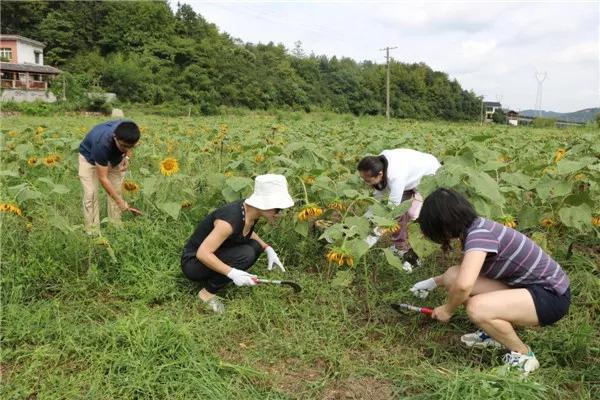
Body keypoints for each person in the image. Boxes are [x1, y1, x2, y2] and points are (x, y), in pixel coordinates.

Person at [410, 188, 570, 373]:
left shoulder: (479, 235)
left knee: (477, 308)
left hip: (550, 297)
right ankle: (494, 335)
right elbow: (458, 277)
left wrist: (447, 310)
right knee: (453, 275)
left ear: (443, 223)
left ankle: (523, 355)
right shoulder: (477, 227)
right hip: (527, 288)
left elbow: (464, 286)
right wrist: (433, 282)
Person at [181, 174, 294, 314]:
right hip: (194, 263)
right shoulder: (229, 221)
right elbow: (203, 253)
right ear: (264, 203)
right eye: (277, 209)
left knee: (255, 246)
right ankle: (206, 293)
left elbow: (245, 232)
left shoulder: (250, 212)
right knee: (246, 254)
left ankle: (217, 277)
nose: (279, 214)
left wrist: (267, 248)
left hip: (214, 252)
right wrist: (232, 273)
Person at [357, 148, 441, 270]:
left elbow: (393, 209)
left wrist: (374, 235)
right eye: (363, 179)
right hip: (410, 173)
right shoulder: (377, 163)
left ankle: (416, 256)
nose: (365, 183)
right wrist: (362, 221)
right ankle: (400, 246)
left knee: (418, 215)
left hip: (429, 174)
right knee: (400, 214)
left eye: (367, 180)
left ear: (380, 174)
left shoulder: (396, 176)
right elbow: (378, 200)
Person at [78, 120, 142, 231]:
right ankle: (93, 231)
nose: (127, 149)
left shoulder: (129, 130)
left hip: (113, 158)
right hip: (90, 159)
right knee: (91, 194)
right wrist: (120, 202)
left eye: (130, 146)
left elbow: (129, 146)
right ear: (114, 137)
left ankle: (115, 227)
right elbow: (103, 178)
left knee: (116, 191)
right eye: (124, 146)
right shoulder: (101, 144)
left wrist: (126, 157)